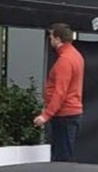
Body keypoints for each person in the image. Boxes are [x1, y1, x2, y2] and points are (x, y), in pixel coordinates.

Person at [35, 24, 84, 162]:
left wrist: (46, 115)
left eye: (51, 37)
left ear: (57, 39)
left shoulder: (65, 60)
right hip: (69, 113)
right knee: (64, 153)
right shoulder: (76, 56)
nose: (50, 40)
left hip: (64, 115)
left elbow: (60, 91)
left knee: (60, 158)